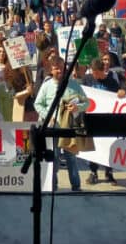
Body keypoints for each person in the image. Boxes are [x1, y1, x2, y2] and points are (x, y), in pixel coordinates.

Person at [34, 57, 89, 192]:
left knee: (71, 157)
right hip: (53, 129)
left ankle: (76, 186)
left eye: (61, 68)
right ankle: (54, 186)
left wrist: (78, 108)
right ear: (51, 70)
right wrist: (48, 116)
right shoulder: (46, 86)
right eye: (56, 68)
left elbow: (86, 103)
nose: (59, 70)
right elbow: (37, 104)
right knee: (55, 157)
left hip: (69, 128)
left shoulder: (74, 84)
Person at [82, 58, 119, 185]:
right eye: (93, 72)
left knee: (108, 146)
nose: (94, 75)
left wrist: (121, 92)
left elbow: (120, 95)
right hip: (91, 119)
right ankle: (93, 172)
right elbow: (82, 95)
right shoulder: (87, 79)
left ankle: (109, 172)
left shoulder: (112, 82)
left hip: (107, 119)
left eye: (96, 72)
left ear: (102, 71)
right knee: (92, 147)